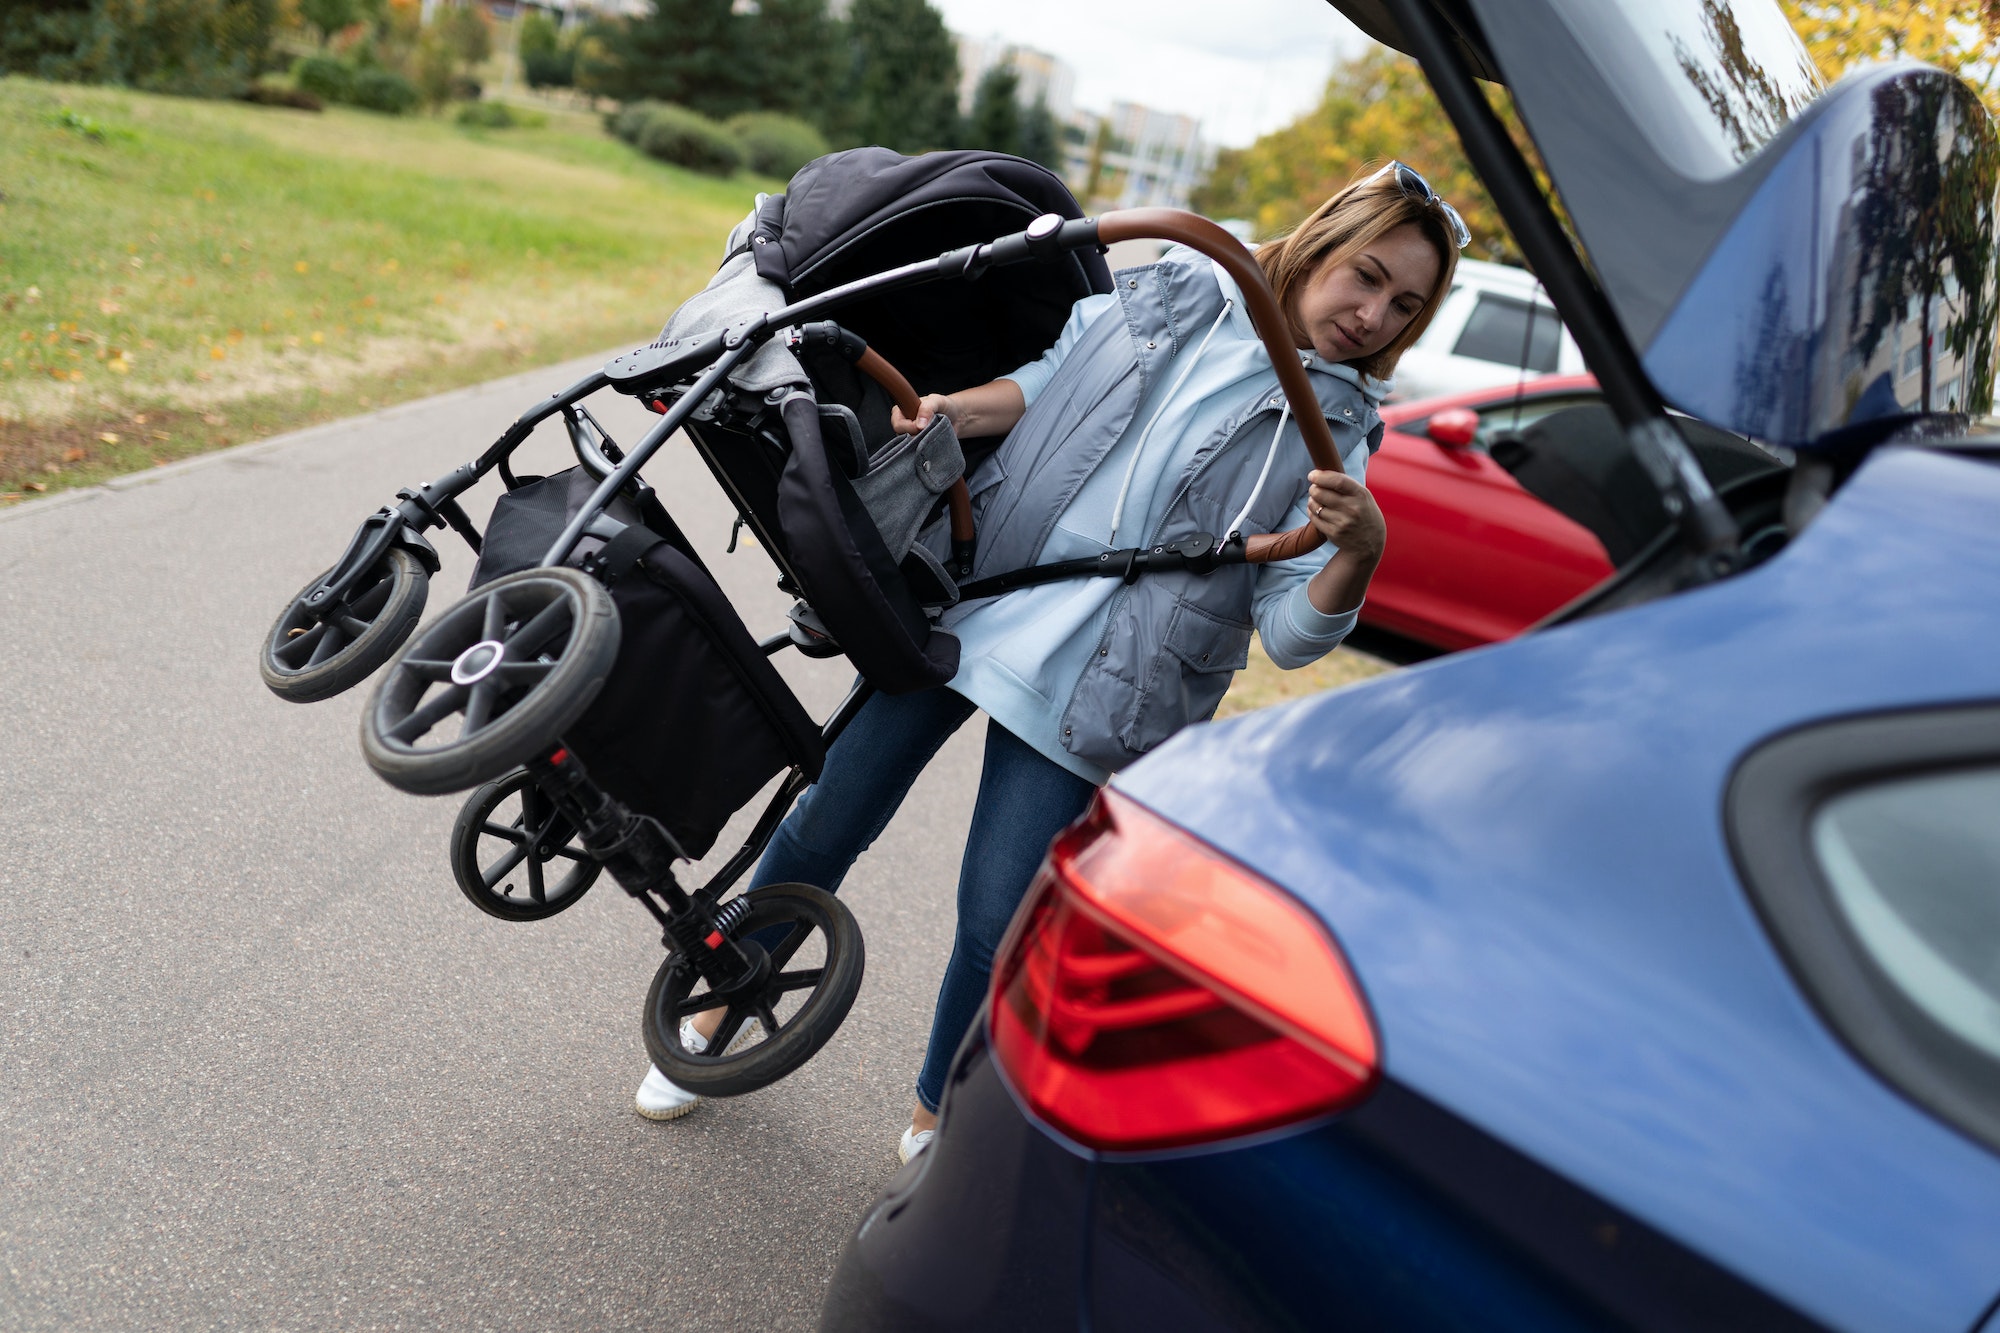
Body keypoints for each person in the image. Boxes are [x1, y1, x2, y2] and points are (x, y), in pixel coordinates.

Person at [636, 161, 1465, 1159]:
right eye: (1363, 276)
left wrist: (1358, 551)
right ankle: (727, 1004)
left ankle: (936, 1118)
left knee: (997, 918)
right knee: (823, 823)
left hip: (1109, 682)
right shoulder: (1175, 290)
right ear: (1320, 243)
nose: (1372, 314)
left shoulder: (1340, 434)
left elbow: (1290, 636)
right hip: (979, 599)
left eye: (1403, 305)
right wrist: (959, 410)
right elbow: (1045, 383)